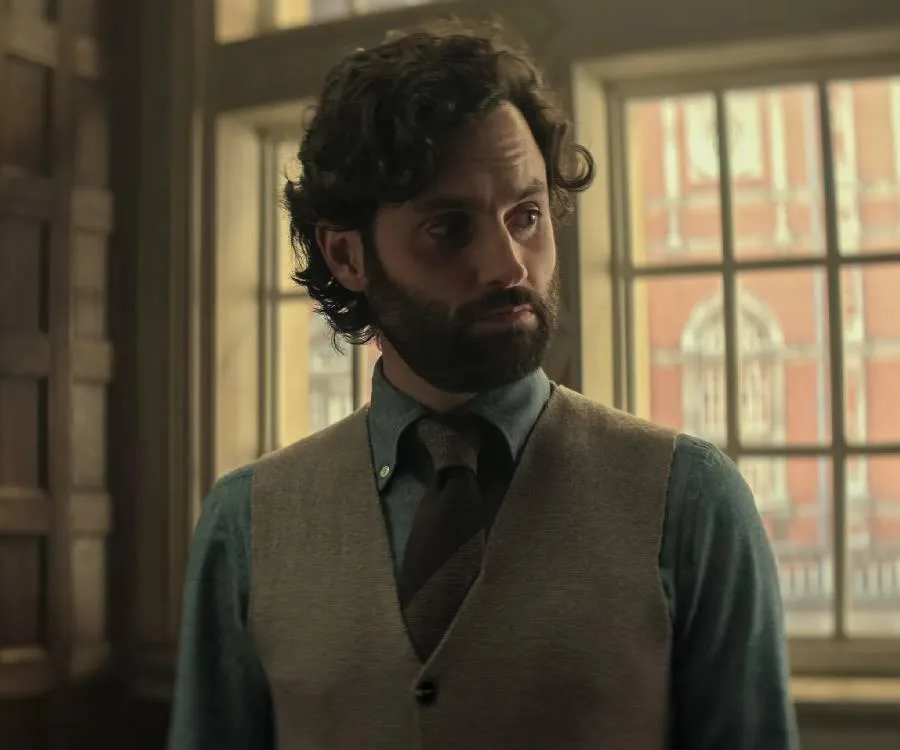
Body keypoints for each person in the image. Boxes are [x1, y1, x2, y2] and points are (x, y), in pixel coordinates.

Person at [168, 19, 798, 750]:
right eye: (449, 229)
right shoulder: (246, 524)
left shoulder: (689, 501)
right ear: (347, 255)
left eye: (526, 216)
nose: (509, 265)